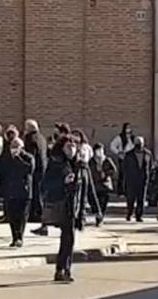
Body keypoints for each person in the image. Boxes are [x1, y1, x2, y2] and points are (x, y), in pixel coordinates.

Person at [43, 135, 91, 283]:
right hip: (61, 204)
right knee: (67, 238)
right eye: (68, 145)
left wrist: (87, 212)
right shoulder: (56, 163)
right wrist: (62, 181)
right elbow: (45, 184)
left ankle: (64, 269)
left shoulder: (81, 165)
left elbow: (86, 190)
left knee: (69, 239)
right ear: (62, 148)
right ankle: (63, 269)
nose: (71, 148)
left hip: (75, 207)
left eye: (74, 145)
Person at [0, 135, 35, 247]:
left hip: (24, 192)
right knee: (12, 216)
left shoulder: (28, 157)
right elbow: (2, 172)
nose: (13, 149)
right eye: (12, 146)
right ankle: (14, 237)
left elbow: (28, 170)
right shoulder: (6, 158)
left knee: (22, 216)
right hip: (10, 191)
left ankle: (20, 237)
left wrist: (18, 158)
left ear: (21, 147)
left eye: (16, 146)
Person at [23, 120, 49, 234]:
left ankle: (43, 223)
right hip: (43, 170)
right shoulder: (42, 138)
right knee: (40, 195)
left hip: (35, 171)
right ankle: (41, 220)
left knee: (37, 196)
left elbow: (30, 156)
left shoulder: (30, 138)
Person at [120, 136, 152, 222]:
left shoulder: (147, 153)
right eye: (137, 143)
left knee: (141, 199)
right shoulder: (129, 154)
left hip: (143, 179)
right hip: (131, 180)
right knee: (131, 198)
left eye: (140, 143)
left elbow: (150, 166)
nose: (139, 145)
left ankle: (139, 216)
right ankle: (129, 213)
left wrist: (148, 176)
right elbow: (124, 167)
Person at [90, 143, 117, 222]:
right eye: (98, 150)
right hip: (96, 185)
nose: (99, 152)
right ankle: (98, 215)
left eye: (101, 150)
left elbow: (114, 170)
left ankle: (101, 215)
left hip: (105, 184)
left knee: (104, 202)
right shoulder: (91, 161)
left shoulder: (107, 160)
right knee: (96, 202)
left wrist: (106, 174)